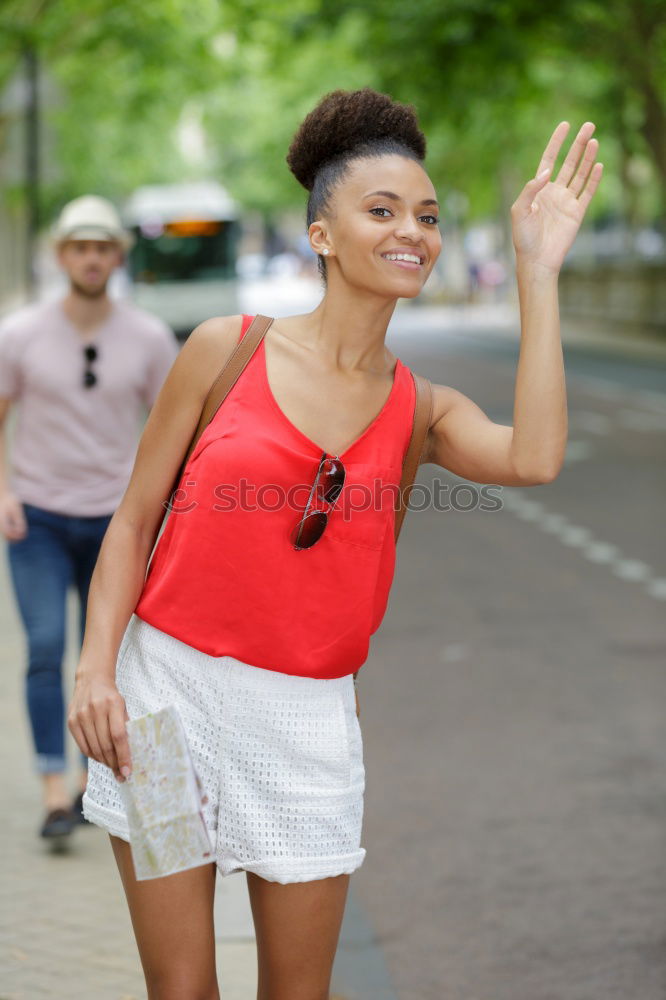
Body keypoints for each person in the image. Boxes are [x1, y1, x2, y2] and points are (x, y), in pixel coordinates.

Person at [68, 89, 602, 998]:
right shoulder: (223, 349)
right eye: (383, 210)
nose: (414, 233)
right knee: (183, 990)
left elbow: (535, 456)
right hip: (161, 707)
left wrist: (537, 271)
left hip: (305, 727)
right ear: (321, 235)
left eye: (427, 217)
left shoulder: (422, 409)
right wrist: (96, 671)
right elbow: (132, 521)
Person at [0, 195, 179, 844]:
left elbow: (173, 428)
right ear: (62, 256)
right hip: (39, 520)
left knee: (107, 657)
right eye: (80, 247)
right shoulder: (18, 335)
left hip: (116, 522)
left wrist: (162, 511)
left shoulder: (150, 338)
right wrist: (4, 492)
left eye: (103, 248)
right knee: (46, 648)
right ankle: (54, 789)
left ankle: (91, 784)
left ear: (118, 257)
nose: (92, 258)